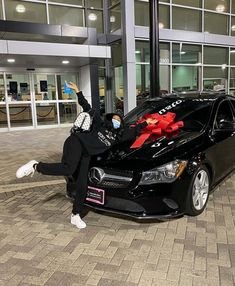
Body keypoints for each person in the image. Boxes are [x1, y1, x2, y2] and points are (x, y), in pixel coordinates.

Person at [16, 82, 158, 229]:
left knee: (82, 185)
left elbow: (136, 130)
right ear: (109, 119)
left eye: (118, 119)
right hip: (76, 142)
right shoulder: (100, 124)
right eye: (114, 118)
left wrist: (147, 123)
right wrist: (78, 91)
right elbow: (87, 107)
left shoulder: (119, 137)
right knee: (68, 169)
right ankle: (35, 165)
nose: (116, 120)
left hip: (86, 155)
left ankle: (75, 215)